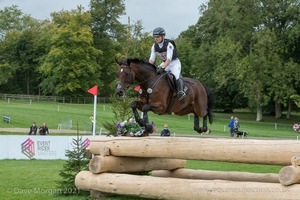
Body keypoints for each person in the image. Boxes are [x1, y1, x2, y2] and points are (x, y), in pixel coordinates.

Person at [149, 27, 186, 100]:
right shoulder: (154, 46)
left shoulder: (169, 44)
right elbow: (151, 60)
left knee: (175, 75)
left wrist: (162, 68)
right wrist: (149, 68)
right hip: (164, 63)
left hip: (174, 63)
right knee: (155, 75)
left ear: (163, 36)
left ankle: (181, 91)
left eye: (158, 36)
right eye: (155, 37)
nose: (156, 38)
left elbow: (169, 59)